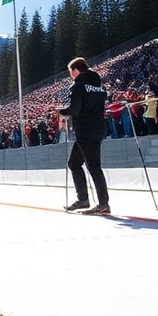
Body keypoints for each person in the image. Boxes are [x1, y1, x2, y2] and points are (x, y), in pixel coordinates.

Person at [59, 57, 110, 215]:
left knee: (93, 166)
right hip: (98, 128)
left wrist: (61, 111)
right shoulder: (98, 86)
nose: (71, 76)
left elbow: (75, 110)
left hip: (85, 131)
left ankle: (103, 203)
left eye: (70, 73)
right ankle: (83, 199)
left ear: (75, 70)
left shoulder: (78, 86)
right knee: (74, 163)